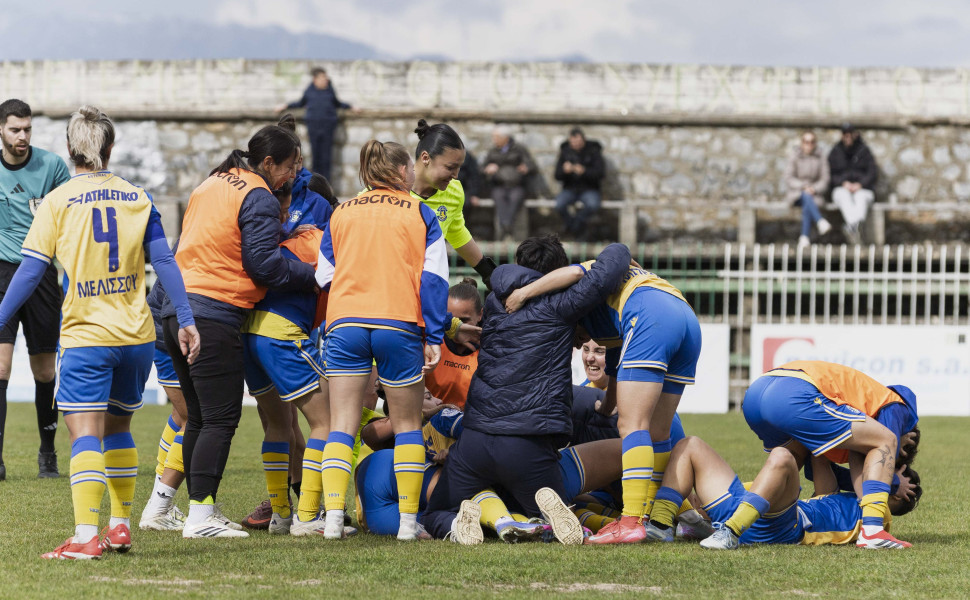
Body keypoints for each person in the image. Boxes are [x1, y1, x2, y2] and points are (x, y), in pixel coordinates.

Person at [0, 106, 199, 559]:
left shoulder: (58, 201)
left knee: (85, 435)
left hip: (88, 335)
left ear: (71, 150)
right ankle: (121, 526)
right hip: (136, 337)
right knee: (120, 430)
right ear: (109, 149)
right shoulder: (138, 197)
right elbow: (164, 262)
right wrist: (185, 319)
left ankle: (86, 536)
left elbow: (30, 273)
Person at [159, 125, 317, 539]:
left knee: (198, 419)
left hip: (176, 309)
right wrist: (313, 274)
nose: (291, 177)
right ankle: (199, 517)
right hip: (213, 313)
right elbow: (263, 265)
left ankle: (198, 510)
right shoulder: (258, 194)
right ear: (268, 163)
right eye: (288, 167)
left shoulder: (211, 182)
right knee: (220, 419)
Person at [419, 236, 631, 544]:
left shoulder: (492, 302)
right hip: (528, 442)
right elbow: (612, 261)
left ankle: (458, 523)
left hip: (475, 440)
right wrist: (620, 253)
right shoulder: (562, 302)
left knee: (435, 513)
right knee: (546, 511)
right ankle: (548, 521)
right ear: (556, 273)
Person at [505, 253, 702, 545]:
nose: (574, 344)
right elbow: (615, 370)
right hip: (686, 316)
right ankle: (659, 519)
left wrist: (522, 293)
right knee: (657, 432)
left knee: (633, 426)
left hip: (652, 315)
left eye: (574, 339)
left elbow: (572, 273)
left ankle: (632, 520)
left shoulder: (589, 283)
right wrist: (605, 407)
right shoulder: (611, 317)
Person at [315, 140, 452, 541]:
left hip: (345, 322)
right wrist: (435, 334)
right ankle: (409, 524)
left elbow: (324, 275)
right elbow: (434, 279)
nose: (412, 174)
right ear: (399, 172)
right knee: (409, 424)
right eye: (408, 168)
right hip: (399, 323)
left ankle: (334, 520)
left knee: (341, 425)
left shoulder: (341, 212)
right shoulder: (421, 212)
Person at [706, 360, 918, 550]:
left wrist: (892, 485)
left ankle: (702, 519)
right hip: (794, 392)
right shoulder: (897, 407)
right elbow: (881, 448)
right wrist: (894, 478)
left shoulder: (857, 421)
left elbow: (820, 465)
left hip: (760, 390)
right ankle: (872, 532)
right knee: (884, 439)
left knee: (788, 460)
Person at [641, 436, 920, 548]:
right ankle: (662, 525)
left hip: (780, 527)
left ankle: (728, 533)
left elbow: (865, 470)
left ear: (902, 495)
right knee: (690, 445)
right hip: (754, 510)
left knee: (782, 457)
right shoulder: (843, 499)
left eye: (893, 467)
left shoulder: (878, 515)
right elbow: (819, 456)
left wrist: (893, 482)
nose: (884, 462)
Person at [0, 99, 71, 481]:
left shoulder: (53, 167)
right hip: (0, 275)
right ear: (1, 129)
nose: (22, 136)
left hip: (42, 273)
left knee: (44, 371)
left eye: (27, 129)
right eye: (15, 129)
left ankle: (48, 452)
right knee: (0, 365)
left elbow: (70, 222)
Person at [411, 120, 497, 289]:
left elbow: (456, 231)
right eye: (450, 167)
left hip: (427, 288)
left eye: (459, 168)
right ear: (426, 158)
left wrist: (488, 272)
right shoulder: (390, 187)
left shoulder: (454, 191)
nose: (456, 175)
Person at [276, 67, 357, 181]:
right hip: (314, 127)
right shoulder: (310, 91)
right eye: (322, 78)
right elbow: (300, 103)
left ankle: (326, 185)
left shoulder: (329, 90)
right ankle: (315, 185)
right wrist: (285, 106)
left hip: (328, 127)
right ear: (315, 79)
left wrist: (351, 107)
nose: (325, 80)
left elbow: (337, 103)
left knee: (326, 158)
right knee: (316, 157)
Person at [424, 278, 481, 409]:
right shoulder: (430, 343)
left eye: (464, 320)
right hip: (427, 424)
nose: (458, 327)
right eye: (451, 320)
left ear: (480, 315)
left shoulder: (490, 351)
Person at [483, 126, 537, 241]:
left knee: (515, 198)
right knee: (499, 197)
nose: (494, 140)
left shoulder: (519, 149)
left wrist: (526, 168)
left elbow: (532, 166)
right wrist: (488, 169)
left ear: (505, 138)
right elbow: (482, 168)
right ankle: (506, 224)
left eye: (496, 137)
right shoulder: (493, 151)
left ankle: (506, 224)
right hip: (499, 185)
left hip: (517, 185)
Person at [828, 123, 877, 244]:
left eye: (850, 134)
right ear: (842, 135)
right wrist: (842, 183)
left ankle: (852, 226)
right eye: (845, 134)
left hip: (862, 188)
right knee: (843, 196)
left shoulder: (864, 151)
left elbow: (873, 172)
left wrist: (860, 184)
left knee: (861, 197)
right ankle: (855, 225)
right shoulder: (835, 152)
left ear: (855, 134)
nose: (848, 137)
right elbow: (829, 175)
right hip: (842, 188)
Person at [554, 127, 605, 240]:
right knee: (559, 204)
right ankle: (576, 228)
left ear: (583, 140)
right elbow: (557, 175)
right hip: (570, 189)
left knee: (592, 205)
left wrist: (584, 171)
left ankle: (574, 227)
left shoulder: (594, 151)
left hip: (589, 188)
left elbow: (600, 174)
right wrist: (564, 171)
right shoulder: (565, 152)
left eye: (578, 142)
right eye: (573, 142)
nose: (576, 145)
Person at [783, 131, 832, 248]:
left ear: (815, 144)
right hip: (797, 193)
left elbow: (825, 179)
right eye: (806, 142)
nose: (808, 145)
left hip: (815, 194)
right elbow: (788, 178)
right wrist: (803, 186)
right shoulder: (794, 156)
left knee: (807, 204)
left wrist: (814, 188)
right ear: (802, 143)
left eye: (811, 142)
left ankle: (804, 237)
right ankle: (820, 221)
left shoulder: (821, 157)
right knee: (805, 196)